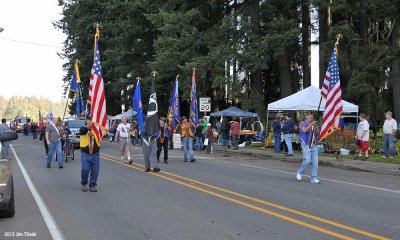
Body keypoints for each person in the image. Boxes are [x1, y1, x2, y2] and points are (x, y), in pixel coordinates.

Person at [296, 112, 320, 184]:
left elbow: (318, 133)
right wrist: (311, 124)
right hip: (305, 144)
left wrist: (315, 128)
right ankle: (299, 172)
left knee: (315, 162)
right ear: (306, 116)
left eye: (312, 115)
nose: (311, 116)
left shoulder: (314, 123)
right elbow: (305, 130)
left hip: (314, 144)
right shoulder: (302, 123)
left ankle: (313, 178)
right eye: (310, 115)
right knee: (307, 160)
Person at [79, 119, 100, 192]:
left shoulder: (97, 130)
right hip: (85, 154)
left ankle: (93, 185)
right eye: (90, 122)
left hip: (95, 154)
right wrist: (89, 125)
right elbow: (82, 131)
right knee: (85, 170)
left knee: (95, 171)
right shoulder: (83, 129)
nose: (92, 123)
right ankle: (84, 183)